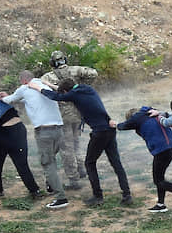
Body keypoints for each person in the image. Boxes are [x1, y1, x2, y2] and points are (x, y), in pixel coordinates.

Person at [30, 78, 131, 206]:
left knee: (89, 163)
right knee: (116, 163)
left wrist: (38, 88)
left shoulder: (74, 94)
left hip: (99, 133)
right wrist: (49, 84)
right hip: (109, 129)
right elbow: (65, 93)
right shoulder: (86, 88)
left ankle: (97, 196)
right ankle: (127, 194)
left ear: (67, 90)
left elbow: (56, 96)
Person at [0, 70, 70, 209]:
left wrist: (3, 97)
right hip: (59, 129)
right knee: (52, 159)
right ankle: (51, 184)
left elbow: (9, 100)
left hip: (44, 132)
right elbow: (30, 99)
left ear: (24, 80)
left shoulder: (24, 88)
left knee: (47, 163)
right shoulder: (44, 86)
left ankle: (61, 198)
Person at [116, 107, 172, 213]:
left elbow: (122, 126)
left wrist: (114, 124)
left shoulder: (136, 118)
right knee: (160, 178)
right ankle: (161, 204)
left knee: (158, 181)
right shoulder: (151, 113)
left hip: (163, 150)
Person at [40, 50, 97, 187]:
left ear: (52, 63)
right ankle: (82, 169)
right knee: (76, 144)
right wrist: (83, 86)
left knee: (66, 149)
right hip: (78, 113)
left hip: (62, 116)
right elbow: (93, 73)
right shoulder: (76, 70)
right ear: (65, 59)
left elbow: (41, 87)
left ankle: (73, 179)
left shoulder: (48, 77)